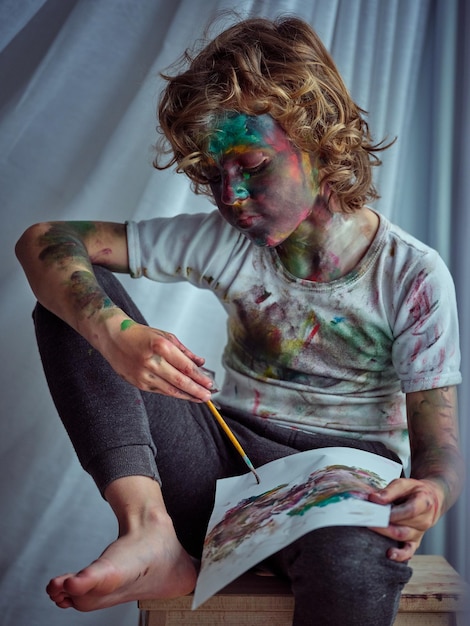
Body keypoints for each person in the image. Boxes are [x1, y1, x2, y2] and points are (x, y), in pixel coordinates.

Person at [15, 16, 464, 626]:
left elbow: (440, 454)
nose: (230, 196)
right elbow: (46, 239)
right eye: (211, 175)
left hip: (341, 491)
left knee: (355, 562)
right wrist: (115, 336)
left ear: (320, 139)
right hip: (221, 474)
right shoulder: (227, 240)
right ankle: (150, 532)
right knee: (74, 295)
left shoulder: (411, 274)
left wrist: (433, 492)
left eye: (251, 165)